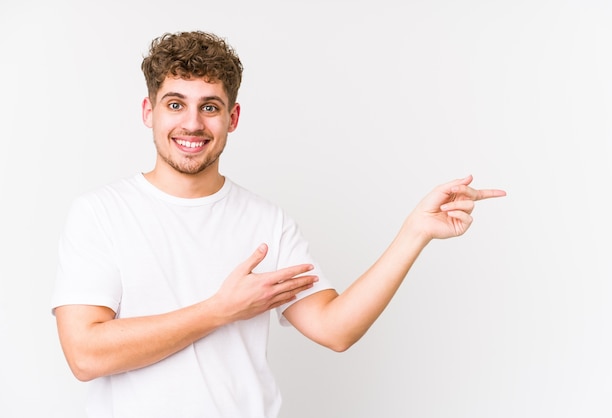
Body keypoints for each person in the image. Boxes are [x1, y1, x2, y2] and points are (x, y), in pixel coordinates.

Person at [51, 30, 507, 418]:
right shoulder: (100, 213)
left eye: (210, 107)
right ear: (149, 112)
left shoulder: (265, 220)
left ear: (232, 118)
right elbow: (85, 355)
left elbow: (335, 329)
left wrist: (415, 232)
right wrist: (220, 309)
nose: (192, 123)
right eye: (175, 104)